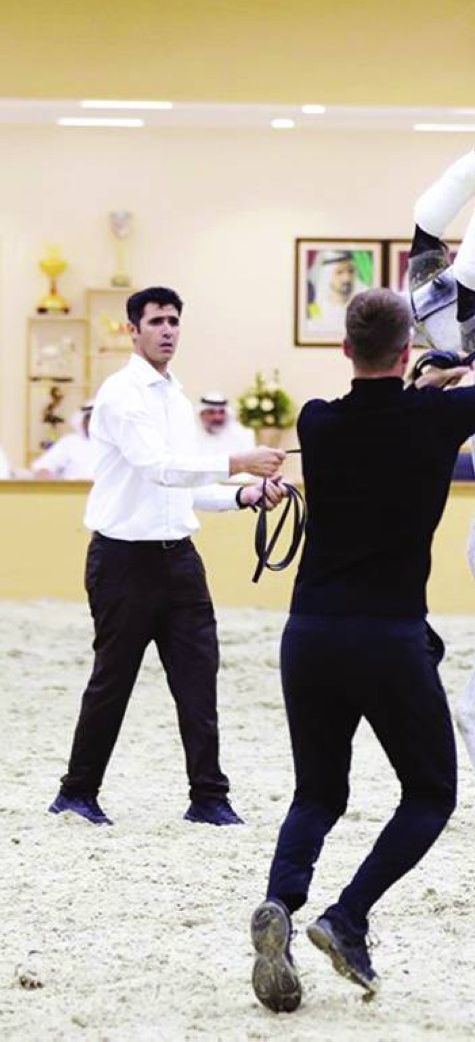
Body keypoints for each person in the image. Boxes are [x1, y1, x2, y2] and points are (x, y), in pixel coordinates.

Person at [248, 269, 475, 1013]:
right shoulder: (437, 421)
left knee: (317, 792)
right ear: (407, 351)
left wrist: (420, 390)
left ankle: (280, 900)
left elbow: (368, 418)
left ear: (345, 348)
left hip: (309, 636)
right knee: (430, 793)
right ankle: (348, 915)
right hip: (388, 637)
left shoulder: (315, 421)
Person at [48, 286, 289, 828]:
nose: (167, 330)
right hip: (122, 564)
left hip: (179, 559)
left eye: (174, 321)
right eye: (156, 321)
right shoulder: (120, 395)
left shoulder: (174, 398)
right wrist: (239, 461)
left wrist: (244, 495)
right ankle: (77, 792)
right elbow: (160, 468)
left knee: (199, 681)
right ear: (132, 330)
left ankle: (208, 797)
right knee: (113, 680)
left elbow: (181, 486)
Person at [307, 249, 369, 337]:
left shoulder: (364, 308)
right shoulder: (315, 309)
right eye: (339, 272)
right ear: (327, 275)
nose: (347, 278)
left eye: (351, 271)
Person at [32, 400, 99, 480]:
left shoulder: (114, 443)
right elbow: (44, 467)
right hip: (74, 490)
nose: (91, 423)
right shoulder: (70, 442)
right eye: (88, 418)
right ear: (82, 420)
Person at [195, 392, 256, 459]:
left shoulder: (242, 435)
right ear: (201, 415)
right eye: (211, 412)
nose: (217, 417)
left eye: (221, 412)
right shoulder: (190, 436)